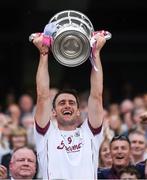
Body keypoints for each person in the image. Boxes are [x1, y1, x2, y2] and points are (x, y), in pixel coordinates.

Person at [32, 31, 106, 179]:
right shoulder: (45, 135)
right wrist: (43, 53)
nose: (67, 106)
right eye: (62, 103)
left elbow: (96, 96)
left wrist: (96, 54)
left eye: (72, 103)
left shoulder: (90, 133)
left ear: (79, 111)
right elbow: (43, 96)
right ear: (53, 112)